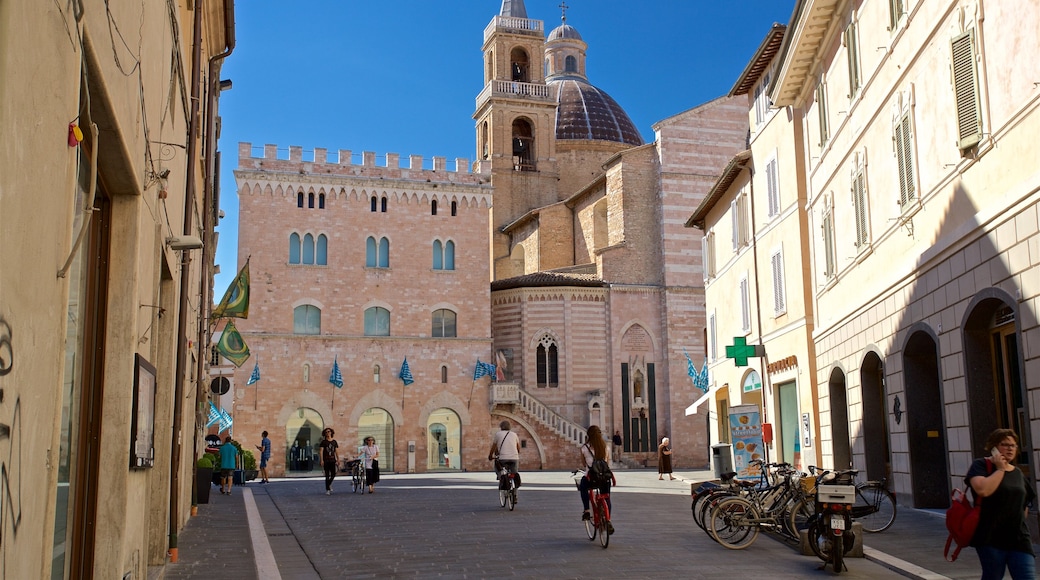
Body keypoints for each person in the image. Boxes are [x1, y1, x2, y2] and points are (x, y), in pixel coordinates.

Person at [967, 428, 1036, 579]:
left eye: (1013, 445)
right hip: (990, 538)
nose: (1010, 449)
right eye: (1005, 444)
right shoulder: (980, 466)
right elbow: (983, 490)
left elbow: (1023, 506)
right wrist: (1000, 469)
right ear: (994, 447)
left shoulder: (1017, 473)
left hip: (1019, 539)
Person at [578, 425, 615, 534]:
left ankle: (587, 510)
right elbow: (607, 462)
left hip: (591, 478)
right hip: (604, 478)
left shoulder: (584, 448)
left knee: (583, 486)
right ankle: (608, 519)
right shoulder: (605, 447)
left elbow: (584, 463)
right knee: (606, 497)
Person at [488, 420, 521, 502]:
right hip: (514, 458)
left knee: (498, 467)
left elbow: (494, 447)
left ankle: (501, 477)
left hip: (503, 458)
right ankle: (515, 494)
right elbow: (518, 448)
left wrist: (490, 455)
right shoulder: (514, 435)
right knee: (514, 473)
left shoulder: (498, 434)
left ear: (501, 427)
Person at [318, 428, 338, 495]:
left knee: (333, 474)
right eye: (326, 432)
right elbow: (321, 451)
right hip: (326, 460)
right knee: (327, 475)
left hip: (332, 460)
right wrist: (321, 460)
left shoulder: (334, 442)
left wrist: (338, 459)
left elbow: (336, 451)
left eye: (329, 432)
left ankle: (328, 484)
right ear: (324, 434)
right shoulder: (323, 442)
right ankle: (328, 489)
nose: (328, 433)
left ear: (331, 432)